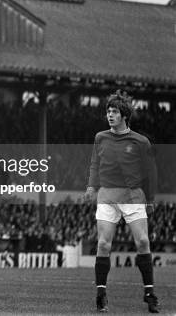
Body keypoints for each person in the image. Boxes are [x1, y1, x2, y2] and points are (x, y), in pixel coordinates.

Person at [84, 90, 159, 313]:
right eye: (108, 111)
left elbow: (151, 172)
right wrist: (91, 186)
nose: (110, 115)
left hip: (133, 196)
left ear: (124, 115)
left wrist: (151, 198)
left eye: (114, 111)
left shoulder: (140, 141)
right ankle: (101, 295)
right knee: (103, 244)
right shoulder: (100, 137)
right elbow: (95, 164)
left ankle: (149, 293)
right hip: (107, 196)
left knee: (143, 242)